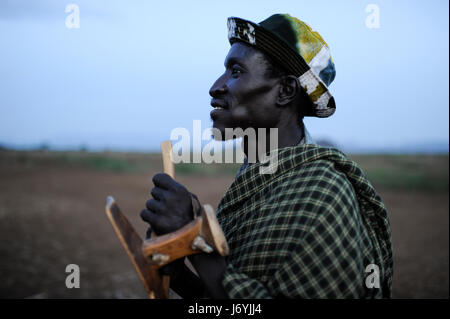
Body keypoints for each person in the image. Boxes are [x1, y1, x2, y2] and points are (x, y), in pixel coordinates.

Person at [140, 14, 393, 299]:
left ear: (285, 90)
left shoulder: (322, 192)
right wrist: (180, 276)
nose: (215, 87)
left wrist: (193, 236)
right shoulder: (259, 177)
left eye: (236, 72)